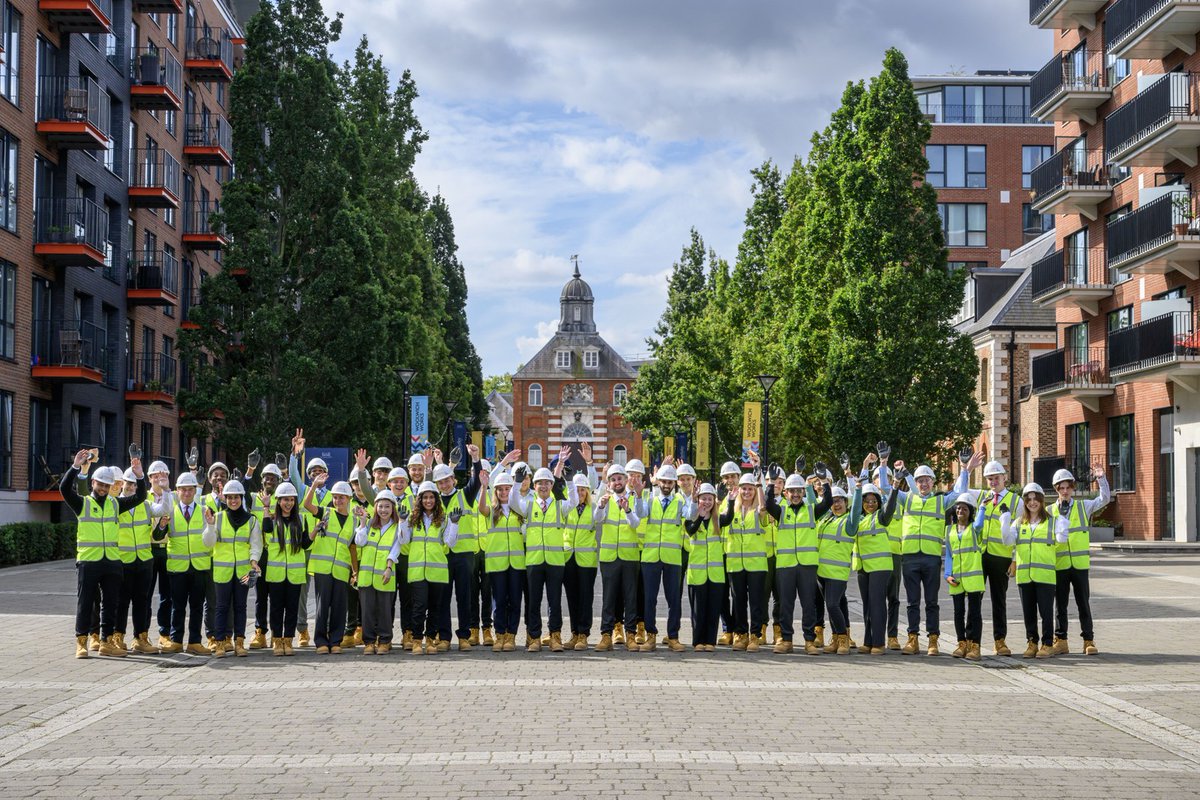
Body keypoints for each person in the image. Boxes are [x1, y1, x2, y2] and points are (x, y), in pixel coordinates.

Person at [60, 452, 149, 658]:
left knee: (111, 603)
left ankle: (106, 641)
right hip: (89, 561)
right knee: (85, 602)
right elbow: (64, 489)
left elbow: (140, 497)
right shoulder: (83, 503)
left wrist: (140, 476)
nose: (103, 488)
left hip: (111, 561)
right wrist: (75, 467)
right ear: (93, 482)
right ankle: (81, 641)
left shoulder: (116, 504)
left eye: (107, 486)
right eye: (100, 484)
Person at [892, 461, 968, 656]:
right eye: (920, 481)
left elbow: (959, 492)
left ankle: (933, 640)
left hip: (931, 557)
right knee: (912, 602)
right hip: (909, 556)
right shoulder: (906, 498)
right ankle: (912, 638)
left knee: (932, 602)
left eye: (926, 480)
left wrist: (965, 469)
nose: (923, 484)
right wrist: (885, 466)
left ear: (933, 482)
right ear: (915, 483)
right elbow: (885, 489)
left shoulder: (940, 501)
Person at [510, 454, 575, 653]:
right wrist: (516, 483)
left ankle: (555, 637)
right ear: (534, 486)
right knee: (534, 602)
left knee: (555, 602)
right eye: (540, 483)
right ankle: (534, 638)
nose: (544, 487)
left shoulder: (559, 505)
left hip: (555, 562)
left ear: (551, 484)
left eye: (547, 483)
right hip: (535, 561)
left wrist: (570, 481)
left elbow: (573, 501)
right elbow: (513, 502)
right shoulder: (528, 505)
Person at [763, 469, 831, 655]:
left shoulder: (811, 510)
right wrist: (771, 481)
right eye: (791, 491)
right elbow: (768, 503)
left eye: (798, 491)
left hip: (807, 565)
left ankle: (809, 640)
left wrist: (824, 480)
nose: (795, 494)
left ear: (803, 492)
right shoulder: (781, 511)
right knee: (786, 603)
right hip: (786, 565)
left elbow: (828, 502)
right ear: (786, 492)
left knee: (809, 603)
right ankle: (786, 640)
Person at [957, 455, 1017, 656]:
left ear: (1004, 477)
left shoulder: (1015, 500)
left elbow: (1020, 530)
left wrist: (1015, 560)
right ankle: (972, 641)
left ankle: (1000, 641)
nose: (993, 482)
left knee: (999, 601)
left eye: (996, 477)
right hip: (980, 556)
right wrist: (967, 469)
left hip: (1002, 558)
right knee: (974, 599)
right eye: (989, 478)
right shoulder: (982, 496)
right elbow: (961, 491)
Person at [1050, 465, 1110, 655]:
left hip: (1079, 565)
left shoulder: (1083, 506)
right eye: (1061, 488)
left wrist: (1101, 479)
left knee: (1083, 603)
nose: (1065, 491)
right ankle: (1061, 640)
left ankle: (1088, 640)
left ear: (1073, 488)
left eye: (1068, 487)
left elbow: (1104, 499)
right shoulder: (1049, 511)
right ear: (1056, 490)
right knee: (1060, 605)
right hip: (1060, 565)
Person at [201, 480, 262, 658]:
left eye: (236, 497)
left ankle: (239, 643)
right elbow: (208, 543)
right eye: (230, 497)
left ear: (241, 498)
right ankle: (220, 643)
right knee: (221, 607)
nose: (233, 501)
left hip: (243, 572)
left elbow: (256, 544)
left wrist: (254, 561)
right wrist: (210, 525)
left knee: (240, 606)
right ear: (225, 499)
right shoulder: (217, 518)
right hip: (222, 571)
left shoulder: (251, 520)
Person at [432, 445, 485, 651]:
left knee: (464, 597)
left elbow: (477, 481)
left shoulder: (465, 495)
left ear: (453, 480)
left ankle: (464, 636)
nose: (444, 484)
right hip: (443, 555)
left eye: (447, 480)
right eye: (440, 482)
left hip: (464, 555)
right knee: (443, 598)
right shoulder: (433, 500)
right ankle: (444, 637)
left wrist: (475, 458)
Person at [115, 467, 173, 653]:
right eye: (128, 483)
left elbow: (165, 508)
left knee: (142, 601)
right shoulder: (115, 505)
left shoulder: (146, 505)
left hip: (144, 560)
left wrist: (165, 490)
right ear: (122, 483)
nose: (131, 487)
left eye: (134, 484)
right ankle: (117, 637)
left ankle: (140, 638)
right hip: (123, 560)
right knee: (122, 601)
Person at [1000, 483, 1059, 659]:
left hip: (1045, 575)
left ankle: (1047, 644)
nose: (1032, 503)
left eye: (1035, 499)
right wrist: (1004, 519)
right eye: (1029, 499)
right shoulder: (1019, 523)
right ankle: (1032, 643)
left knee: (1046, 612)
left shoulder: (1052, 522)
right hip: (1025, 576)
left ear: (1041, 500)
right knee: (1028, 612)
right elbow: (1008, 542)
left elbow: (1062, 539)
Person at [400, 481, 460, 655]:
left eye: (431, 497)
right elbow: (403, 540)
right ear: (420, 499)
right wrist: (403, 521)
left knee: (435, 607)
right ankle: (417, 640)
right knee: (419, 606)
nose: (428, 501)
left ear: (436, 499)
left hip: (437, 571)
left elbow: (450, 542)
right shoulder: (412, 518)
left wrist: (454, 524)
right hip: (418, 571)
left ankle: (431, 639)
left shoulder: (443, 518)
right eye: (425, 497)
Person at [636, 464, 690, 652]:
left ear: (674, 483)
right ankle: (650, 636)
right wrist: (638, 493)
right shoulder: (650, 500)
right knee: (649, 599)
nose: (666, 485)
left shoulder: (681, 501)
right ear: (658, 482)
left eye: (669, 482)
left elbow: (690, 515)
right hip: (650, 558)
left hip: (672, 558)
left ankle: (673, 637)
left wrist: (690, 495)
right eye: (663, 481)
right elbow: (640, 513)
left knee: (674, 599)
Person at [303, 479, 357, 654]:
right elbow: (307, 504)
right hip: (323, 568)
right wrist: (314, 486)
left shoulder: (354, 521)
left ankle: (335, 641)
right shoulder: (326, 513)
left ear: (349, 498)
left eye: (342, 498)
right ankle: (321, 642)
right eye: (335, 497)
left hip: (341, 569)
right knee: (322, 605)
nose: (338, 501)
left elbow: (352, 547)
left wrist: (355, 570)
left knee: (340, 606)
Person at [720, 473, 770, 652]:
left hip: (756, 564)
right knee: (738, 601)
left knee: (756, 601)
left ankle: (755, 635)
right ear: (739, 490)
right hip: (735, 564)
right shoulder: (732, 508)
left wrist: (759, 484)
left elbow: (764, 506)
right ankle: (740, 634)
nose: (747, 492)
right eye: (744, 488)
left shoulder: (759, 510)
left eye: (750, 489)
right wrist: (730, 499)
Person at [162, 472, 211, 655]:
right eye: (183, 490)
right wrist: (161, 525)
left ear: (195, 490)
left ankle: (195, 642)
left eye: (190, 489)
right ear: (177, 491)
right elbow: (159, 536)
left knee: (197, 606)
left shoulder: (204, 510)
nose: (187, 493)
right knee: (178, 605)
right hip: (178, 568)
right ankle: (176, 640)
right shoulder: (170, 511)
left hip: (199, 566)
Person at [854, 464, 900, 655]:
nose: (870, 504)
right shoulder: (859, 519)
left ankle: (879, 643)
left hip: (880, 567)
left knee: (877, 602)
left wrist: (895, 487)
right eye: (867, 501)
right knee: (867, 604)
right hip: (863, 567)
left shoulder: (881, 517)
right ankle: (868, 640)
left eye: (874, 501)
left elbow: (889, 509)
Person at [595, 463, 642, 652]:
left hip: (629, 556)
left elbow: (636, 523)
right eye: (613, 480)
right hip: (609, 557)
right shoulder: (605, 499)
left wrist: (628, 510)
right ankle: (606, 635)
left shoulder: (634, 498)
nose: (617, 482)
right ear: (609, 483)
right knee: (609, 598)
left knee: (630, 597)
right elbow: (597, 519)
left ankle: (630, 634)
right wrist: (600, 506)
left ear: (626, 480)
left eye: (619, 479)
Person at [288, 428, 327, 647]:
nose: (316, 474)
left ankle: (326, 628)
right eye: (313, 472)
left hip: (324, 549)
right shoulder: (303, 491)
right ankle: (302, 630)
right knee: (302, 591)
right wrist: (296, 454)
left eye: (320, 471)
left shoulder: (334, 496)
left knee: (324, 592)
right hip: (305, 547)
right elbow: (293, 473)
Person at [262, 482, 312, 656]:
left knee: (292, 609)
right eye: (284, 500)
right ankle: (277, 641)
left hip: (295, 574)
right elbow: (266, 529)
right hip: (276, 574)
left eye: (291, 500)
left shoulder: (301, 520)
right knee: (276, 609)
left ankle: (288, 640)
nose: (288, 503)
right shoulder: (272, 520)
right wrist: (266, 507)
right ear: (278, 501)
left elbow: (305, 544)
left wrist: (315, 532)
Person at [815, 476, 863, 656]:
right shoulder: (826, 520)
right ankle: (835, 638)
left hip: (837, 573)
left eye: (840, 501)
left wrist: (857, 489)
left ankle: (843, 638)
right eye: (833, 501)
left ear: (845, 501)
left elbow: (856, 510)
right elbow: (814, 505)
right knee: (836, 605)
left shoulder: (849, 523)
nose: (836, 504)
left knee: (833, 604)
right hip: (822, 572)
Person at [478, 471, 524, 652]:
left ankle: (511, 635)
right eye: (501, 490)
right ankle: (500, 635)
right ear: (495, 491)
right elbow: (482, 508)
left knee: (514, 600)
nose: (504, 493)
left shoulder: (519, 510)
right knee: (499, 602)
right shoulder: (492, 511)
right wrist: (483, 487)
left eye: (507, 489)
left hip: (517, 563)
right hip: (497, 564)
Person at [354, 489, 402, 654]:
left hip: (385, 575)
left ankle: (384, 640)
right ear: (375, 508)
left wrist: (389, 568)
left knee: (384, 611)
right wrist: (361, 523)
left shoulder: (396, 527)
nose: (383, 510)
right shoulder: (369, 525)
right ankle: (369, 642)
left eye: (387, 506)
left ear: (392, 508)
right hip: (367, 576)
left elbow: (396, 548)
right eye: (380, 506)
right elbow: (359, 542)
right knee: (367, 611)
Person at [245, 460, 285, 650]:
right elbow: (242, 492)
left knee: (277, 597)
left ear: (278, 481)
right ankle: (260, 632)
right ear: (261, 480)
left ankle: (277, 635)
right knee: (260, 597)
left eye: (273, 478)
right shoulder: (253, 498)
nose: (270, 480)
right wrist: (249, 470)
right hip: (259, 555)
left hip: (277, 555)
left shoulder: (283, 498)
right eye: (267, 477)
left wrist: (286, 472)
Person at [684, 483, 725, 652]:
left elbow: (729, 516)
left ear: (714, 501)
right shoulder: (691, 518)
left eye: (710, 499)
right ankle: (698, 641)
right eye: (703, 499)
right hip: (697, 573)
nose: (707, 502)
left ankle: (710, 641)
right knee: (698, 610)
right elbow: (691, 531)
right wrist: (699, 516)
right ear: (698, 499)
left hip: (715, 574)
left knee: (713, 609)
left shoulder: (719, 520)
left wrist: (727, 499)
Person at [944, 493, 984, 661]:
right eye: (958, 508)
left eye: (965, 508)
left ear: (970, 512)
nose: (960, 510)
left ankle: (975, 645)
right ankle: (961, 643)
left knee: (975, 613)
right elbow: (948, 554)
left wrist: (982, 507)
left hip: (973, 578)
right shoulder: (949, 530)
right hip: (956, 579)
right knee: (958, 612)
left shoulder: (974, 528)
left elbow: (980, 523)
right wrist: (947, 574)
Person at [563, 471, 598, 650]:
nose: (580, 493)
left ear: (587, 491)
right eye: (577, 490)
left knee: (586, 598)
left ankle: (584, 634)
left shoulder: (594, 509)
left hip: (587, 560)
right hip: (568, 557)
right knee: (572, 598)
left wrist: (591, 465)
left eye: (583, 490)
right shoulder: (567, 508)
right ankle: (574, 633)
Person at [144, 460, 175, 650]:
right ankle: (142, 634)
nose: (159, 478)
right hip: (147, 550)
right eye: (155, 475)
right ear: (149, 478)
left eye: (163, 475)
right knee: (144, 596)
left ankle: (165, 634)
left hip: (168, 550)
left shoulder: (173, 496)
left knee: (167, 596)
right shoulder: (143, 497)